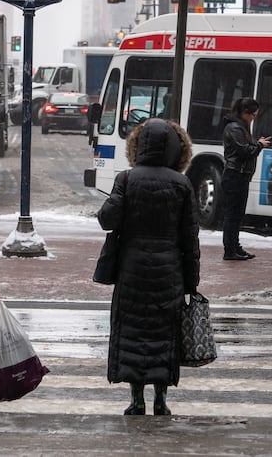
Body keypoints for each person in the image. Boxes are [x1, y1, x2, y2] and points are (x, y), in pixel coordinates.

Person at [97, 118, 201, 416]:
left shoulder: (127, 179)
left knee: (132, 332)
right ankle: (161, 400)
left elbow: (107, 220)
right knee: (163, 334)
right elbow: (190, 238)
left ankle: (136, 399)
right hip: (170, 271)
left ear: (138, 146)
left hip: (132, 269)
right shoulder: (182, 184)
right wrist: (191, 283)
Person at [221, 97, 272, 260]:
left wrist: (257, 144)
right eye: (253, 116)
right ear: (245, 113)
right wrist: (259, 145)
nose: (253, 119)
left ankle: (235, 247)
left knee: (237, 214)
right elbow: (244, 151)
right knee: (232, 215)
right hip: (234, 175)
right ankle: (230, 250)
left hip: (240, 175)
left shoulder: (239, 127)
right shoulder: (235, 128)